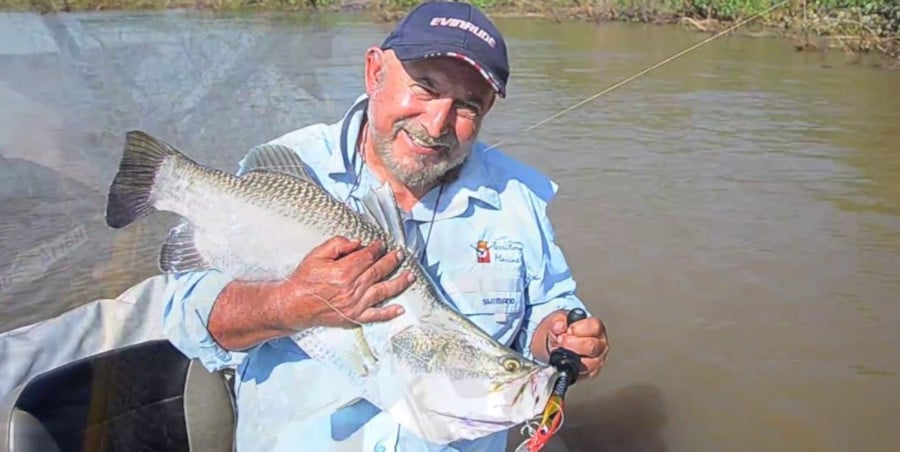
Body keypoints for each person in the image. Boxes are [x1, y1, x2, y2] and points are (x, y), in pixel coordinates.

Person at [161, 2, 610, 451]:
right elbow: (186, 317)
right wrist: (289, 303)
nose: (436, 125)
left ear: (488, 109)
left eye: (467, 105)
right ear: (375, 71)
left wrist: (558, 337)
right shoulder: (295, 168)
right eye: (424, 87)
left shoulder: (518, 197)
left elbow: (550, 308)